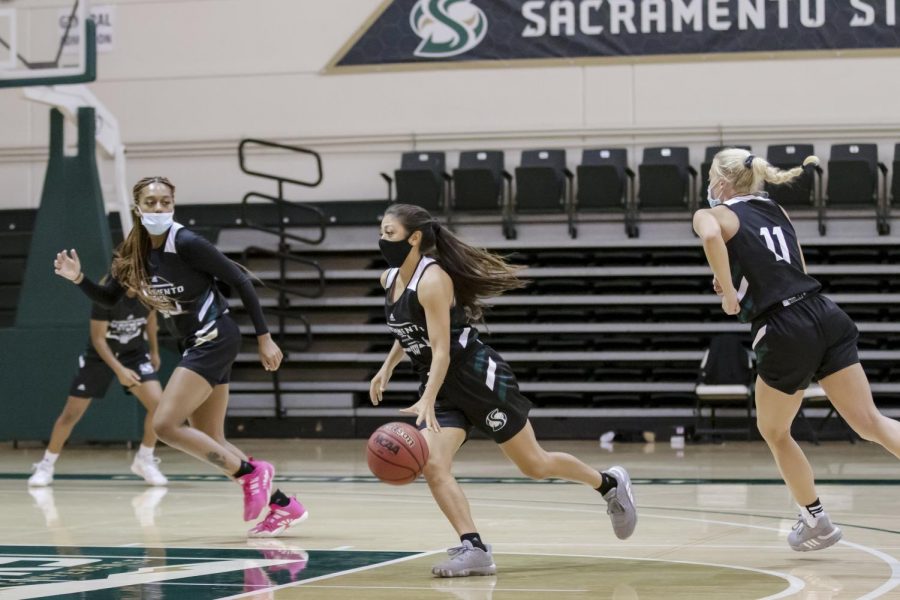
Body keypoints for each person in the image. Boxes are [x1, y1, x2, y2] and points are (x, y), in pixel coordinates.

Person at [370, 203, 637, 578]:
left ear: (414, 238)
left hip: (478, 378)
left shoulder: (433, 280)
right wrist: (387, 367)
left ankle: (609, 483)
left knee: (535, 465)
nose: (382, 240)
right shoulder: (390, 279)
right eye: (382, 232)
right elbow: (409, 331)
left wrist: (427, 397)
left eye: (389, 233)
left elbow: (442, 348)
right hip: (442, 386)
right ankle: (474, 548)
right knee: (433, 465)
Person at [53, 176, 307, 537]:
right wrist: (78, 279)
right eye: (152, 202)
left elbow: (240, 280)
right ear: (137, 208)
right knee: (210, 438)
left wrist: (264, 337)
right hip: (195, 343)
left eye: (166, 202)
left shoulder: (185, 242)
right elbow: (110, 298)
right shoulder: (133, 252)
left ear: (173, 205)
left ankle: (253, 474)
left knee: (165, 425)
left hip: (215, 336)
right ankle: (283, 505)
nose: (159, 208)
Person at [693, 148, 900, 552]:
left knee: (773, 430)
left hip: (784, 326)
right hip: (823, 311)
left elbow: (712, 235)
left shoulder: (712, 213)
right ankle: (813, 519)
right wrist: (737, 277)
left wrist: (729, 293)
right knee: (870, 422)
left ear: (721, 182)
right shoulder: (775, 210)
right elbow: (795, 268)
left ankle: (815, 520)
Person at [28, 291, 167, 487]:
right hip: (100, 357)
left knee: (159, 406)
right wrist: (119, 370)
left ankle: (144, 458)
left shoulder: (147, 294)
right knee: (70, 415)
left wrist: (154, 350)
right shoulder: (105, 296)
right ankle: (46, 465)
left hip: (133, 355)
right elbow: (98, 339)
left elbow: (151, 319)